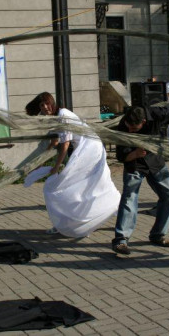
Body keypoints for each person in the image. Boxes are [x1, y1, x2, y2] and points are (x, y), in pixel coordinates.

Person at [25, 92, 120, 238]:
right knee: (85, 185)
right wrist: (41, 162)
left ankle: (74, 223)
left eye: (47, 103)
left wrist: (57, 167)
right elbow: (55, 142)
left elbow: (65, 145)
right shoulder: (56, 117)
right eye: (42, 105)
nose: (45, 107)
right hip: (87, 147)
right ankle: (79, 223)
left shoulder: (63, 114)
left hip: (89, 149)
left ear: (53, 102)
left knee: (68, 185)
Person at [112, 105, 169, 255]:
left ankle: (158, 235)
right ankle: (121, 240)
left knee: (168, 194)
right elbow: (121, 156)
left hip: (155, 161)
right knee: (129, 198)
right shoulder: (123, 126)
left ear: (143, 121)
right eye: (128, 127)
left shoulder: (157, 114)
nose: (130, 131)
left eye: (134, 128)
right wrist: (135, 154)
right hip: (135, 163)